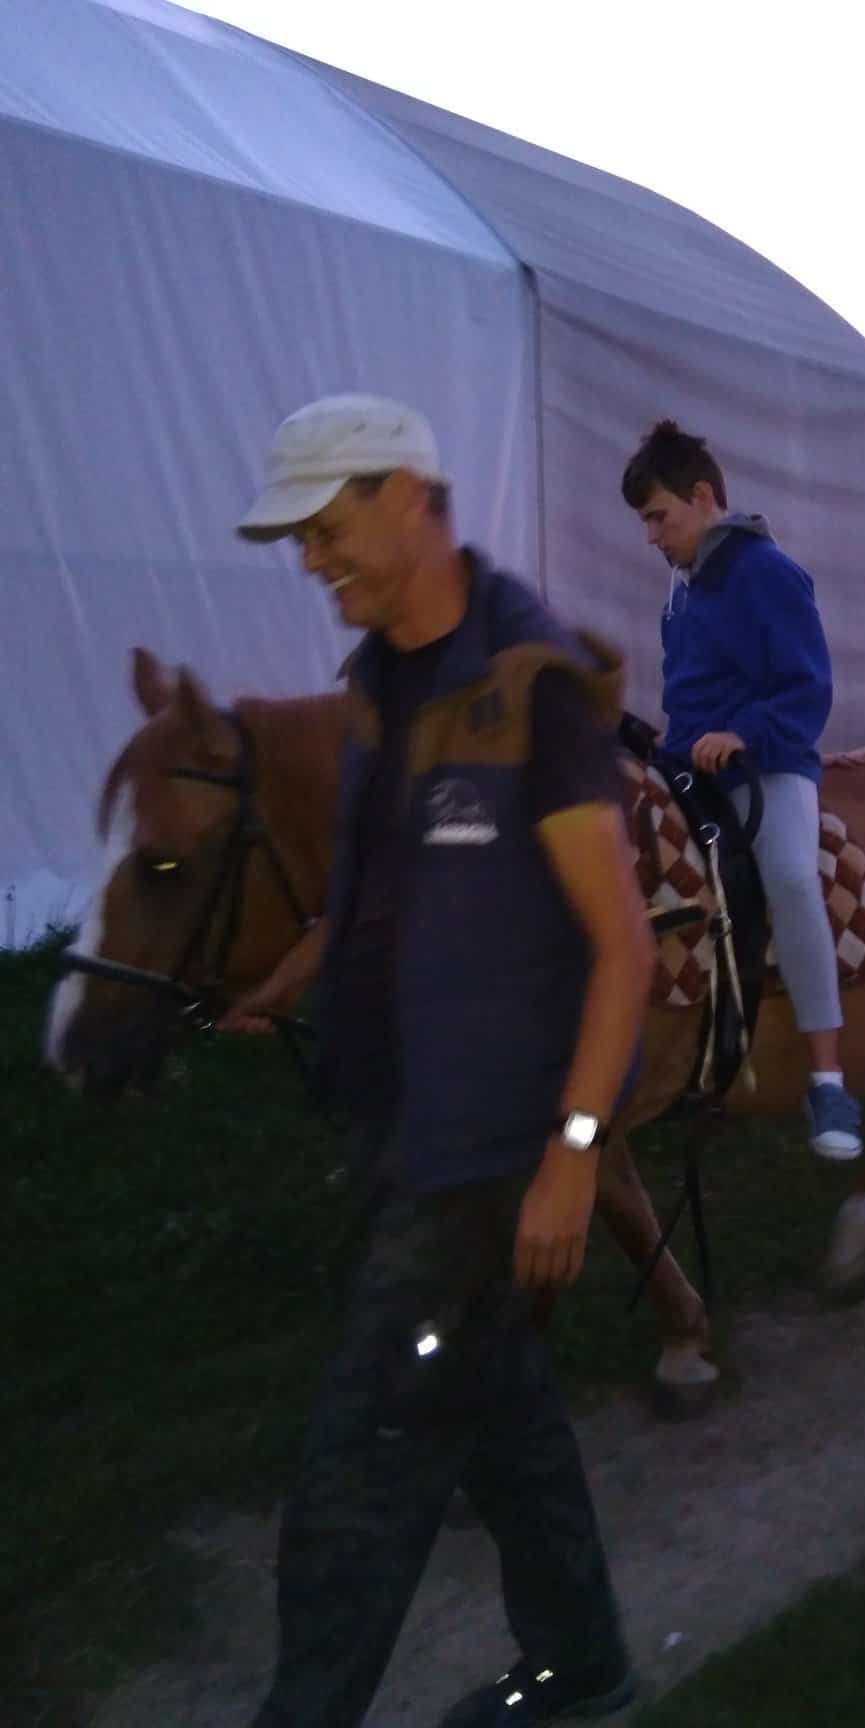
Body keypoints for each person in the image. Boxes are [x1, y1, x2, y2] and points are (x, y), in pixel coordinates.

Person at [235, 393, 653, 1728]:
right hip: (392, 1126)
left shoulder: (533, 683)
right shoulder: (376, 685)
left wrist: (573, 1156)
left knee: (358, 1479)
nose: (310, 558)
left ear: (411, 497)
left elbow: (624, 945)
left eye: (325, 523)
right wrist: (283, 990)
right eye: (295, 534)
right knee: (503, 1418)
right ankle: (583, 1667)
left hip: (481, 1157)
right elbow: (380, 891)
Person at [620, 419, 863, 1159]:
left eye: (659, 517)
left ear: (702, 498)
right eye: (645, 523)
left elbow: (806, 686)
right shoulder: (682, 587)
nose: (653, 537)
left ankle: (827, 1080)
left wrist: (745, 735)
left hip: (770, 763)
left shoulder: (767, 572)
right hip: (690, 761)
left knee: (790, 879)